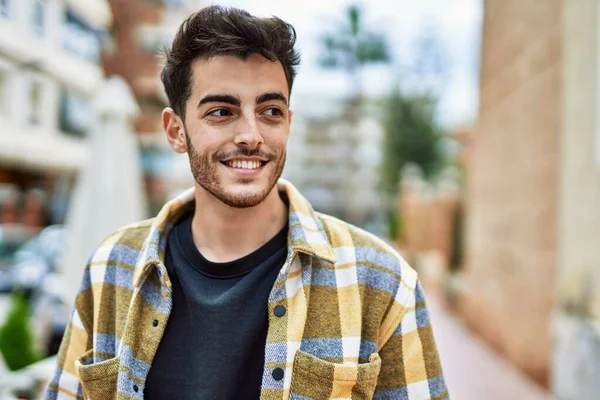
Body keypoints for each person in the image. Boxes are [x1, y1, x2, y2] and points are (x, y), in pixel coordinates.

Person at [45, 5, 447, 400]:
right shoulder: (111, 267)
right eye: (222, 111)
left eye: (270, 111)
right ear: (175, 131)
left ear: (288, 123)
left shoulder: (379, 281)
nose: (251, 135)